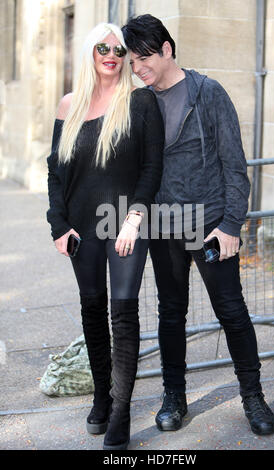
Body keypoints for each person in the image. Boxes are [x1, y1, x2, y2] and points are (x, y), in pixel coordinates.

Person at [122, 14, 274, 436]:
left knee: (232, 311)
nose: (138, 69)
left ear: (167, 49)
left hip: (209, 224)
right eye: (132, 62)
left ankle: (253, 395)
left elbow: (235, 164)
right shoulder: (141, 101)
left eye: (144, 58)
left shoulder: (208, 92)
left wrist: (231, 224)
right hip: (163, 224)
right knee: (171, 314)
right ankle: (175, 396)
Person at [46, 22, 164, 450]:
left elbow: (152, 168)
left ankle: (121, 412)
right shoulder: (69, 105)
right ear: (90, 53)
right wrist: (59, 226)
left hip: (126, 223)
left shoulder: (140, 101)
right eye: (103, 47)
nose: (111, 54)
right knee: (93, 310)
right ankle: (101, 393)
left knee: (123, 312)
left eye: (118, 49)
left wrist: (135, 217)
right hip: (82, 228)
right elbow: (56, 173)